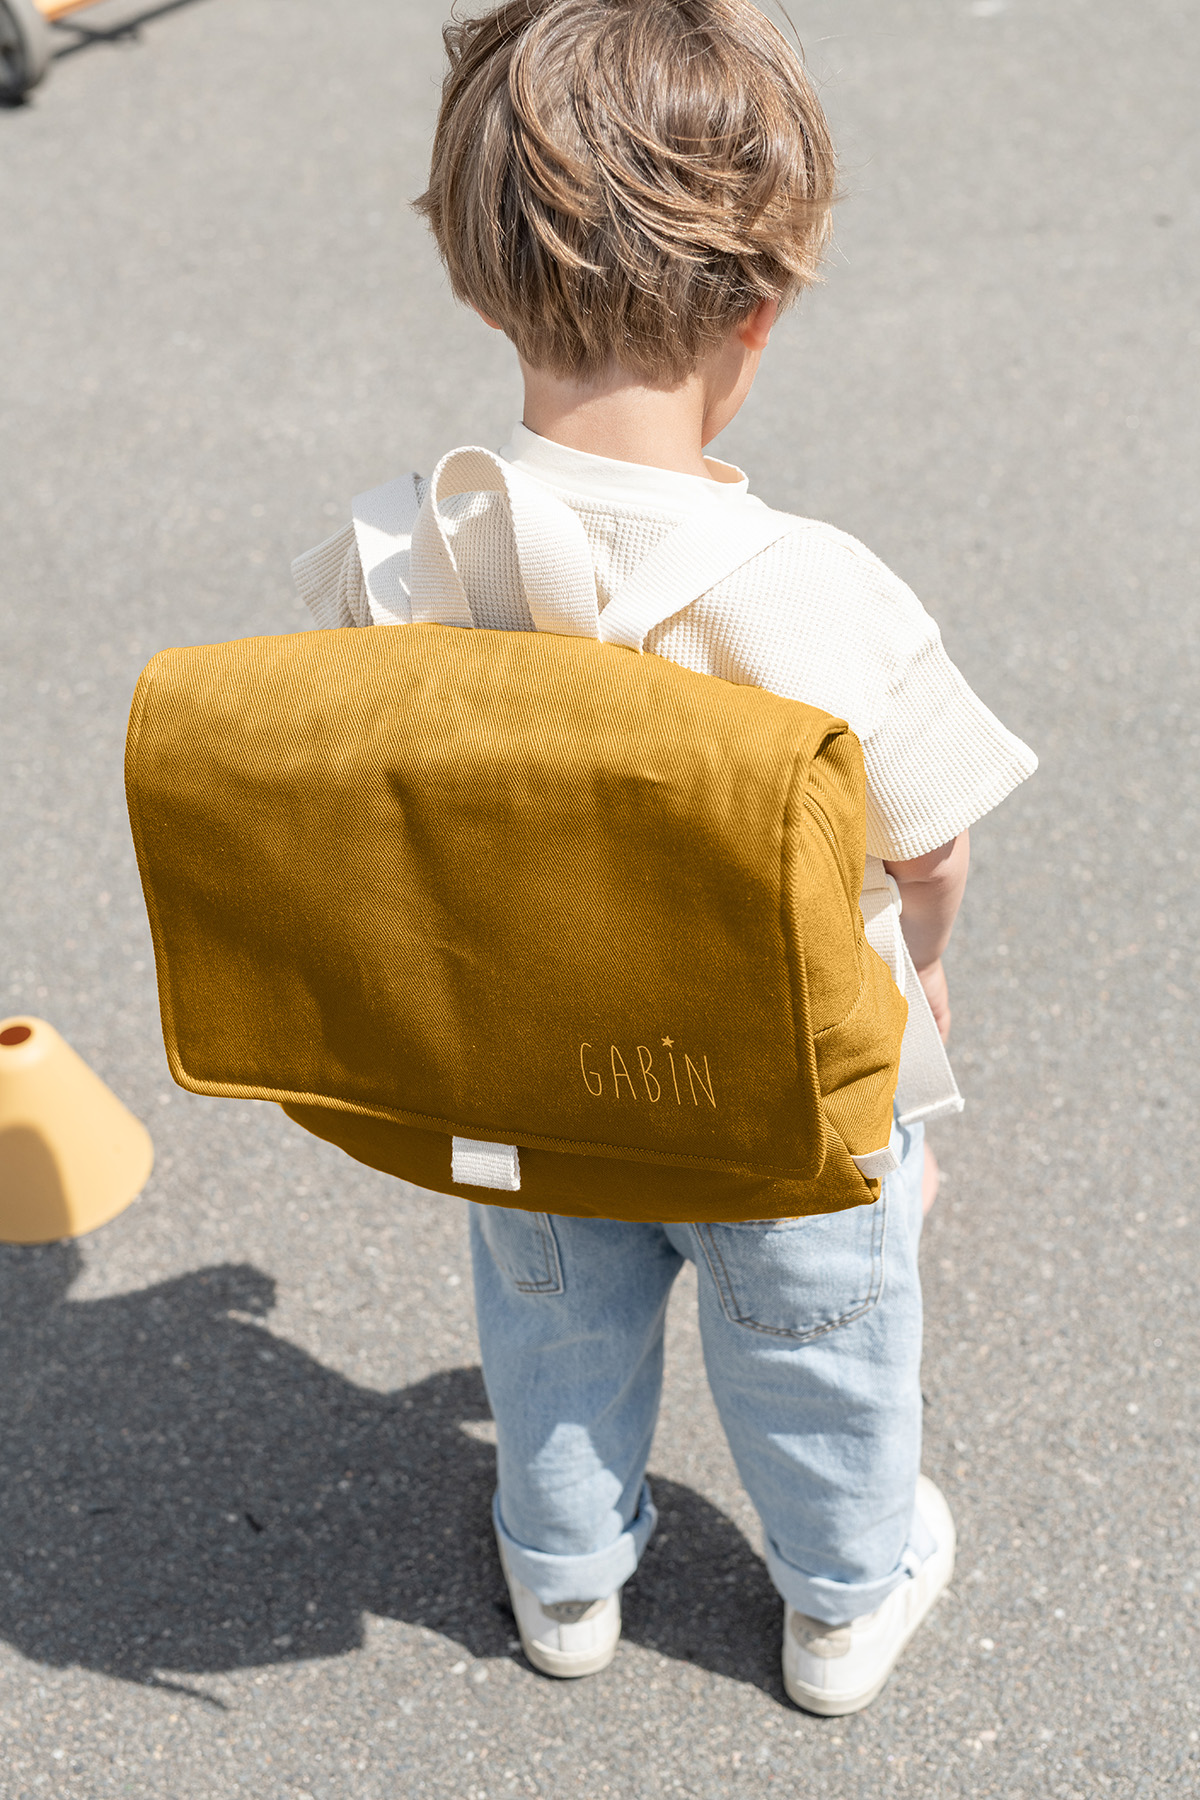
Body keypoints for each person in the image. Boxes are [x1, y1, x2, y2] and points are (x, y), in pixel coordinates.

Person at [292, 0, 1036, 1714]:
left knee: (553, 1333)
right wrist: (924, 982)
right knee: (824, 1360)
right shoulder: (812, 593)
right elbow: (930, 851)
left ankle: (562, 1580)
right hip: (779, 1093)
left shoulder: (399, 554)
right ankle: (842, 1606)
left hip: (530, 1073)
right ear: (759, 311)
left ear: (481, 274)